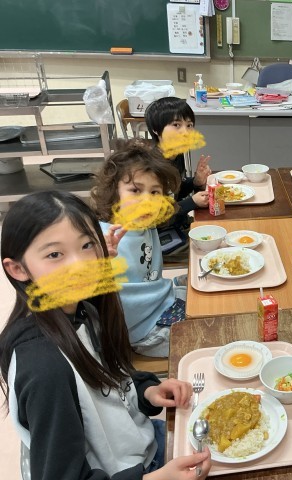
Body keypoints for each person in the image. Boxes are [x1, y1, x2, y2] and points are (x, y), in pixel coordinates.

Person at [0, 190, 211, 479]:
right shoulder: (45, 368)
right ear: (17, 269)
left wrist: (147, 391)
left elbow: (111, 379)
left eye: (87, 245)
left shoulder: (84, 310)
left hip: (143, 445)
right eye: (55, 254)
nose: (80, 265)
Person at [92, 140, 184, 358]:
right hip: (142, 332)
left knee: (208, 293)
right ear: (114, 192)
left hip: (161, 301)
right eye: (135, 190)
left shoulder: (146, 224)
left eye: (155, 192)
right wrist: (98, 261)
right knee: (203, 334)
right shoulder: (103, 240)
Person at [145, 96, 211, 230]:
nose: (185, 132)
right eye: (176, 125)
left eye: (189, 125)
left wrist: (195, 182)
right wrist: (192, 202)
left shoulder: (176, 154)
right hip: (157, 235)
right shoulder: (150, 166)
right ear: (156, 129)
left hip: (177, 224)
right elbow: (157, 218)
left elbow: (173, 193)